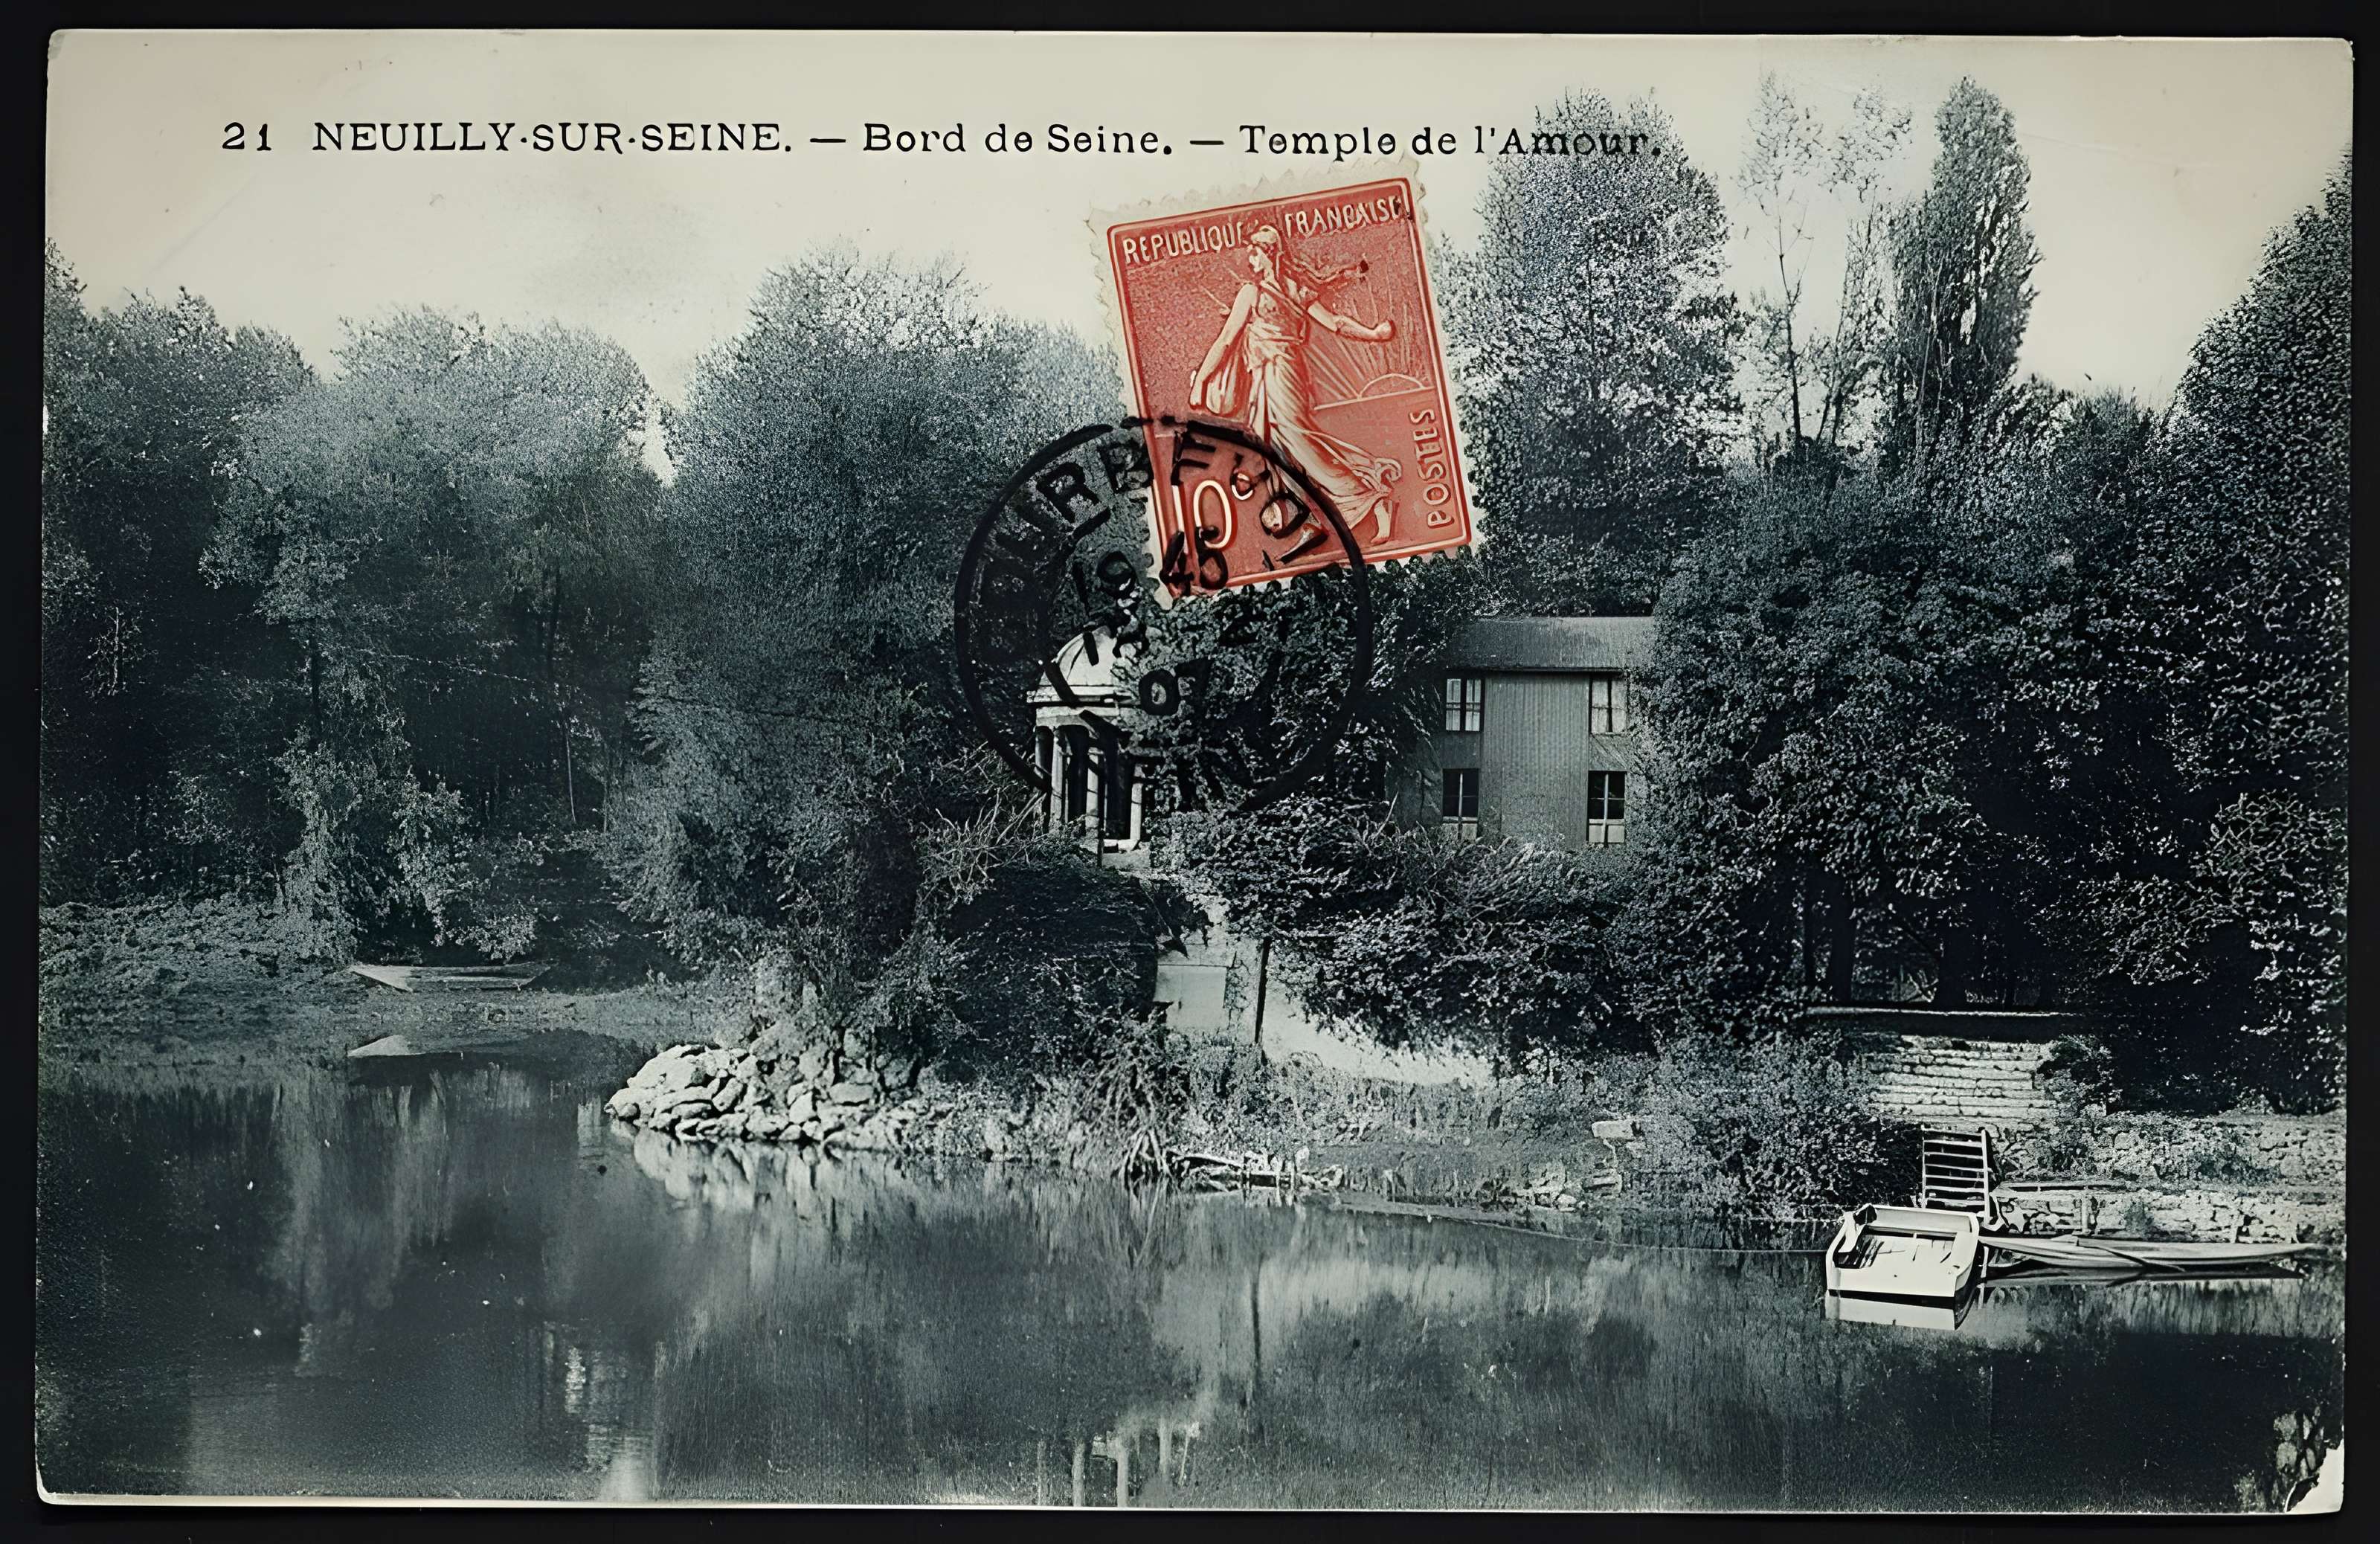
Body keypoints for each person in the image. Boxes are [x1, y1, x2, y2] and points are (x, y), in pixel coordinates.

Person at [1188, 224, 1401, 541]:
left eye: (1255, 253)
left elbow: (1334, 323)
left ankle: (1371, 500)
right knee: (1274, 449)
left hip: (1284, 376)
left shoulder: (1286, 291)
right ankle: (1316, 514)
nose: (1250, 260)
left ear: (1270, 254)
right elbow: (1224, 342)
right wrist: (1200, 382)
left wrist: (1373, 335)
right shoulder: (1254, 292)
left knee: (1300, 444)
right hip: (1264, 379)